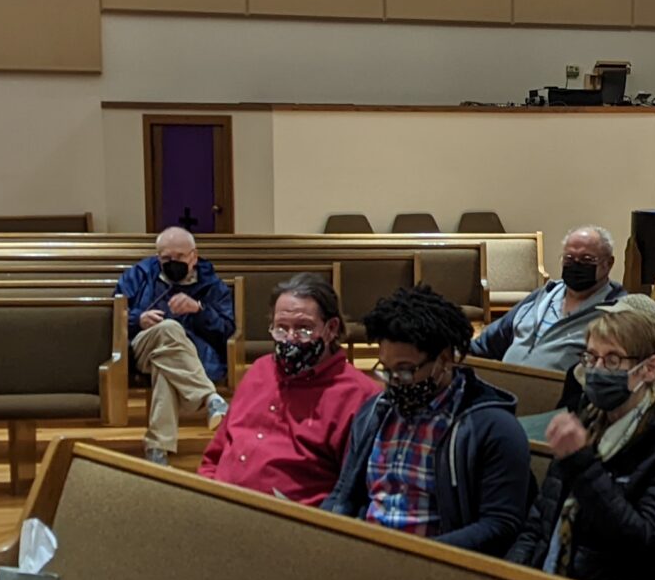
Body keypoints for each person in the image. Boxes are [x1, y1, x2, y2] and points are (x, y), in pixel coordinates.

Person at [506, 297, 655, 580]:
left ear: (649, 368)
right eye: (590, 358)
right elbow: (539, 524)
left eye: (612, 361)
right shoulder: (584, 425)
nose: (597, 370)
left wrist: (582, 463)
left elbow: (643, 541)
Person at [325, 284, 531, 555]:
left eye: (405, 370)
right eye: (386, 370)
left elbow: (500, 526)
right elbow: (344, 493)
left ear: (444, 360)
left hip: (437, 565)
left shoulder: (492, 428)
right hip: (366, 555)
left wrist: (412, 555)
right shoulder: (375, 412)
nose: (394, 382)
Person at [197, 272, 380, 505]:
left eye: (304, 329)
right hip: (218, 506)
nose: (290, 339)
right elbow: (215, 454)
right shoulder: (259, 370)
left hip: (290, 520)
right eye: (281, 328)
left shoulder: (360, 396)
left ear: (331, 328)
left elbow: (351, 496)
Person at [112, 226, 233, 463]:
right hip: (142, 347)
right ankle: (209, 397)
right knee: (169, 328)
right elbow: (116, 315)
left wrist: (199, 310)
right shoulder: (138, 276)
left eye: (179, 257)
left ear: (193, 257)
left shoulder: (212, 285)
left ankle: (157, 448)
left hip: (190, 355)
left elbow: (226, 331)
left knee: (165, 367)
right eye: (166, 258)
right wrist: (138, 318)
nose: (172, 263)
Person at [470, 225, 624, 372]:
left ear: (608, 264)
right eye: (569, 259)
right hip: (503, 387)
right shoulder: (543, 295)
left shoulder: (616, 313)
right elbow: (485, 343)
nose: (576, 265)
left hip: (558, 390)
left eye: (587, 259)